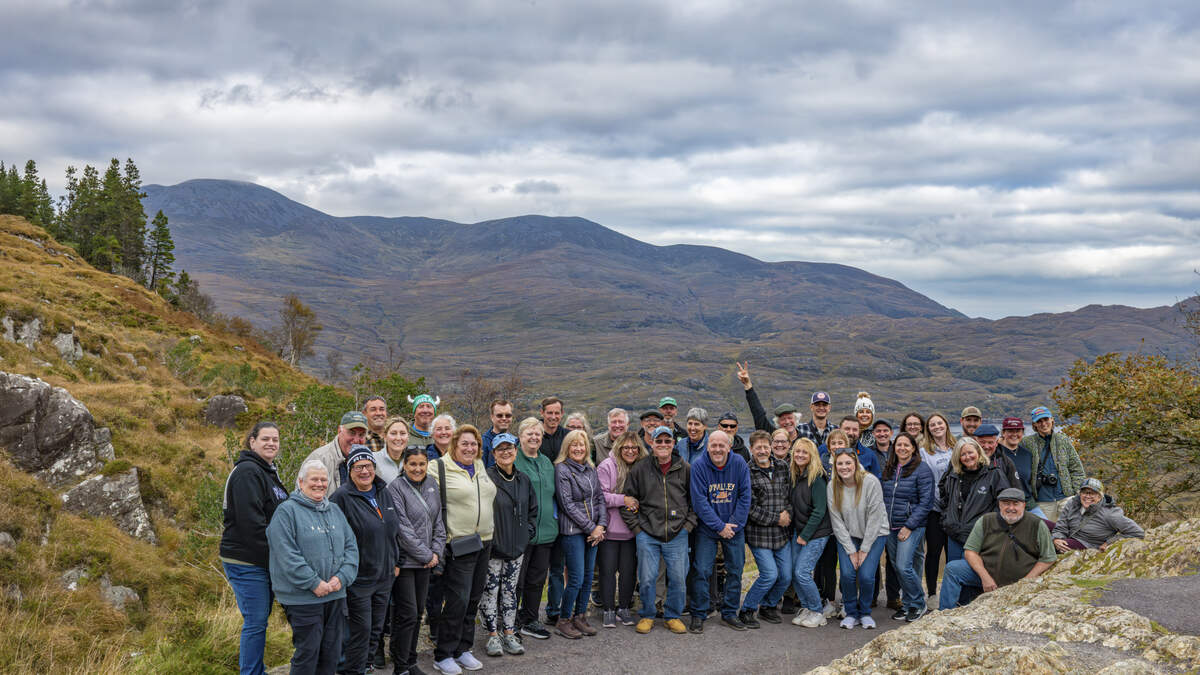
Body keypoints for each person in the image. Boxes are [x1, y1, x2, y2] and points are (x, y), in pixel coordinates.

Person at [266, 460, 359, 675]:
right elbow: (286, 555)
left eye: (323, 480)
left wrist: (342, 577)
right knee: (308, 653)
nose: (319, 484)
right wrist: (313, 582)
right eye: (314, 479)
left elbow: (351, 547)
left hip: (335, 594)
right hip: (303, 598)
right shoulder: (286, 512)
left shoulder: (334, 510)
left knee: (331, 653)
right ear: (301, 482)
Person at [220, 421, 289, 675]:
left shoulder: (267, 471)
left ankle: (257, 669)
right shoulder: (248, 472)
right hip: (247, 560)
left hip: (264, 559)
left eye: (275, 439)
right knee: (256, 619)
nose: (271, 443)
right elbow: (252, 526)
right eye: (265, 439)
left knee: (261, 618)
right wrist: (282, 557)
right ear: (252, 442)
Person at [429, 425, 497, 675]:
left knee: (473, 598)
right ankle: (444, 653)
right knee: (458, 600)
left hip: (485, 540)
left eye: (474, 444)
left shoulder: (479, 466)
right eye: (464, 444)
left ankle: (463, 648)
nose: (470, 448)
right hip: (458, 542)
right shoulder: (438, 467)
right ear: (454, 445)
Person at [329, 447, 401, 675]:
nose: (364, 471)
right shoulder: (341, 497)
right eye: (358, 467)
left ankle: (365, 666)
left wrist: (396, 561)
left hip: (385, 576)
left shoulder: (383, 491)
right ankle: (352, 670)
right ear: (350, 470)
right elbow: (334, 539)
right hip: (359, 578)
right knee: (360, 631)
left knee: (376, 630)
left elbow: (393, 529)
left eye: (368, 466)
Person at [622, 425, 696, 635]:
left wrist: (687, 527)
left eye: (667, 441)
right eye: (659, 441)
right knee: (647, 578)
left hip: (677, 534)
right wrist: (637, 530)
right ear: (651, 444)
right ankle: (647, 614)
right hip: (647, 534)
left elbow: (695, 502)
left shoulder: (685, 468)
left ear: (673, 444)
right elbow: (627, 501)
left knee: (678, 579)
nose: (663, 444)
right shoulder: (640, 469)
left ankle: (672, 616)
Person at [938, 488, 1057, 610]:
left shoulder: (1036, 524)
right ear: (999, 505)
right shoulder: (986, 520)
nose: (1011, 508)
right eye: (1006, 503)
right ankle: (946, 612)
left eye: (1016, 503)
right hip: (985, 573)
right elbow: (970, 552)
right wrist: (985, 577)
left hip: (1017, 579)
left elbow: (1048, 557)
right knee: (953, 569)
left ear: (1024, 505)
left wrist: (1025, 581)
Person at [386, 448, 446, 675]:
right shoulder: (395, 487)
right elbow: (402, 529)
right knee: (407, 614)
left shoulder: (431, 483)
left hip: (426, 562)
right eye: (412, 464)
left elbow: (438, 521)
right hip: (406, 562)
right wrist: (427, 555)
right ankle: (401, 665)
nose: (418, 468)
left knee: (418, 612)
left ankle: (410, 660)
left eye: (422, 464)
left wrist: (436, 552)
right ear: (404, 465)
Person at [688, 430, 752, 633]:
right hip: (708, 527)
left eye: (721, 445)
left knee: (735, 569)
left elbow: (745, 496)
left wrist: (732, 525)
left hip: (734, 527)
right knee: (702, 570)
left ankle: (730, 613)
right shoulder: (698, 465)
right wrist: (719, 526)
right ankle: (699, 613)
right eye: (713, 445)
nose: (717, 449)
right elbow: (699, 501)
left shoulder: (739, 463)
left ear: (729, 447)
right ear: (708, 447)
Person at [481, 433, 535, 658]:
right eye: (500, 449)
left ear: (516, 450)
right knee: (491, 591)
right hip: (494, 549)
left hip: (516, 548)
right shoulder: (487, 478)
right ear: (493, 453)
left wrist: (526, 535)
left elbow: (532, 511)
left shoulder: (523, 480)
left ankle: (509, 633)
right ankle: (492, 635)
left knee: (510, 592)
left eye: (509, 448)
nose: (506, 452)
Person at [554, 429, 607, 639]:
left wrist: (601, 525)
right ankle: (564, 619)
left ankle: (580, 616)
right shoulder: (562, 469)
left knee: (587, 577)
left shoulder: (591, 469)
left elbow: (600, 498)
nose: (578, 448)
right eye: (574, 445)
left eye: (581, 444)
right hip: (573, 531)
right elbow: (566, 504)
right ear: (567, 448)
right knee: (576, 578)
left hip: (594, 531)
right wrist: (591, 528)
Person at [828, 448, 888, 629]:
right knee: (847, 574)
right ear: (835, 466)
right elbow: (836, 521)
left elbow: (875, 518)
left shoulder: (870, 482)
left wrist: (864, 549)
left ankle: (865, 612)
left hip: (875, 534)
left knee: (866, 576)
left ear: (855, 464)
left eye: (848, 463)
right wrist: (851, 550)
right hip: (848, 535)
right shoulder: (832, 486)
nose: (844, 467)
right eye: (840, 463)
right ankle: (851, 613)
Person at [738, 429, 792, 628]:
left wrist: (788, 514)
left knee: (786, 576)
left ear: (771, 447)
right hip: (759, 535)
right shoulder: (746, 471)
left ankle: (768, 606)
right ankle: (747, 609)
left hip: (782, 535)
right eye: (758, 447)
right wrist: (777, 519)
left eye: (765, 446)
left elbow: (789, 496)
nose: (762, 450)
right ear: (751, 449)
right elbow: (749, 508)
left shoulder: (782, 466)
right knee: (769, 574)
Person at [879, 432, 934, 622]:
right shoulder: (889, 468)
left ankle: (918, 603)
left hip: (912, 526)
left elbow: (926, 502)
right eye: (899, 445)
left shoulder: (922, 469)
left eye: (906, 445)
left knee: (904, 566)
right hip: (890, 526)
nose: (902, 448)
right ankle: (908, 603)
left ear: (913, 448)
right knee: (896, 566)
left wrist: (909, 526)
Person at [512, 417, 558, 641]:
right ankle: (510, 622)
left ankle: (530, 619)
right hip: (521, 533)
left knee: (537, 580)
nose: (534, 437)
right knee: (517, 581)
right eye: (529, 433)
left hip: (546, 532)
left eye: (537, 434)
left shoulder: (546, 462)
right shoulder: (514, 460)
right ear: (520, 437)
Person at [596, 431, 645, 627]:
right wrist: (623, 499)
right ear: (619, 448)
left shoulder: (642, 466)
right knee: (607, 571)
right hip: (610, 531)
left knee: (629, 572)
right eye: (626, 447)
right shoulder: (607, 466)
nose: (630, 451)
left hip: (632, 531)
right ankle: (608, 610)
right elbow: (600, 495)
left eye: (634, 448)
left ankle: (624, 608)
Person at [938, 437, 1011, 562]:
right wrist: (947, 520)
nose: (967, 457)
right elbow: (945, 498)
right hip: (954, 534)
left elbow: (1005, 503)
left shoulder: (994, 474)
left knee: (974, 570)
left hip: (979, 536)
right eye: (963, 454)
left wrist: (989, 526)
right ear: (958, 457)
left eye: (970, 452)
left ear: (978, 451)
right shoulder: (953, 475)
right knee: (953, 569)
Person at [787, 438, 832, 628]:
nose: (800, 455)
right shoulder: (796, 475)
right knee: (793, 571)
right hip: (800, 530)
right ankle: (807, 607)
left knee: (802, 572)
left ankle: (817, 611)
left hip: (816, 533)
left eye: (805, 452)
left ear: (812, 455)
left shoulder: (817, 477)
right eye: (797, 451)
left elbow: (820, 510)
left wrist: (805, 535)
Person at [1020, 406, 1086, 520]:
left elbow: (1077, 469)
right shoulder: (1026, 443)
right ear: (1034, 424)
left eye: (1046, 419)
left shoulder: (1063, 440)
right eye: (1039, 421)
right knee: (1045, 530)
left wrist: (1075, 493)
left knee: (1070, 529)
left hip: (1066, 499)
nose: (1043, 424)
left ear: (1052, 420)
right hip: (1042, 501)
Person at [1051, 478, 1144, 552]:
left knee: (1047, 545)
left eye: (1093, 493)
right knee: (1042, 523)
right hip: (1069, 535)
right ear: (1080, 494)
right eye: (1084, 492)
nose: (1088, 496)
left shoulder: (1110, 514)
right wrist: (1056, 538)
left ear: (1100, 496)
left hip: (1086, 543)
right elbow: (1061, 525)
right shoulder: (1072, 503)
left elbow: (1137, 532)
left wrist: (1109, 543)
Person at [920, 412, 955, 597]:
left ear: (946, 425)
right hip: (934, 510)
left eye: (939, 423)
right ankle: (932, 594)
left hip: (955, 510)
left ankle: (951, 592)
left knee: (953, 553)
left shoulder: (956, 447)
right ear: (928, 429)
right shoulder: (924, 451)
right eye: (932, 425)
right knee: (933, 552)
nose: (937, 427)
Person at [304, 411, 369, 491]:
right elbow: (302, 495)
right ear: (339, 431)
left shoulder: (369, 461)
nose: (356, 440)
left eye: (361, 435)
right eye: (352, 433)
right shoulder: (319, 459)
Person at [735, 361, 799, 442]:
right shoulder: (771, 435)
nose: (787, 422)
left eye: (790, 418)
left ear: (796, 419)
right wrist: (748, 385)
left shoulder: (806, 438)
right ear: (778, 423)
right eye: (783, 419)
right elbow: (758, 414)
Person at [973, 424, 1024, 506]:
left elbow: (1016, 490)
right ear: (975, 442)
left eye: (990, 442)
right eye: (982, 442)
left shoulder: (1006, 462)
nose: (986, 446)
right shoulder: (968, 461)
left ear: (996, 443)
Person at [998, 417, 1037, 507]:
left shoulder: (1027, 454)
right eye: (1010, 431)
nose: (1014, 434)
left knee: (1042, 517)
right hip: (1005, 503)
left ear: (1022, 433)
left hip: (1027, 501)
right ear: (1003, 433)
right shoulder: (997, 453)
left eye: (1018, 431)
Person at [374, 416, 411, 485]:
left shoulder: (413, 459)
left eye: (403, 433)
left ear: (408, 436)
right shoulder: (374, 459)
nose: (398, 438)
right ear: (385, 436)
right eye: (393, 433)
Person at [480, 399, 514, 470]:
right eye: (499, 415)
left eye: (508, 415)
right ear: (492, 417)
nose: (504, 418)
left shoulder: (516, 441)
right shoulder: (482, 443)